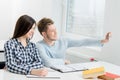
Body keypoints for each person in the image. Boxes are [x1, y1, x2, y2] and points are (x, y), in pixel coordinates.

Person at [36, 17, 111, 67]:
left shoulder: (63, 41)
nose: (56, 33)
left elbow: (82, 42)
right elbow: (47, 62)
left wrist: (102, 41)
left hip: (63, 72)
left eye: (55, 29)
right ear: (44, 34)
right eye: (52, 31)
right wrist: (63, 61)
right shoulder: (39, 46)